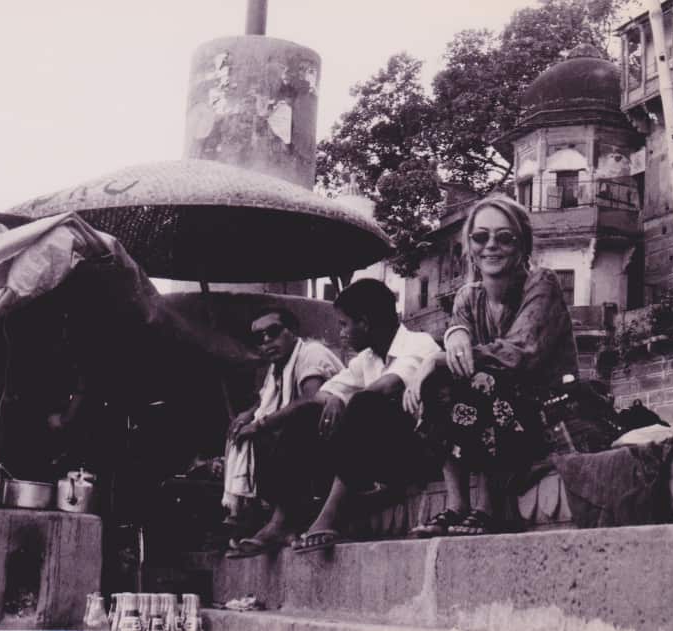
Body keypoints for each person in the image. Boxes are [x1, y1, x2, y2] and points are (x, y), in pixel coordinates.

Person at [405, 195, 577, 537]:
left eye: (505, 237)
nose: (491, 246)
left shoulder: (541, 282)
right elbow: (458, 349)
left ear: (522, 243)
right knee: (440, 383)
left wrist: (434, 357)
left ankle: (489, 506)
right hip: (493, 410)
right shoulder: (468, 296)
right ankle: (457, 506)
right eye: (480, 237)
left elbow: (518, 354)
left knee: (483, 376)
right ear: (469, 245)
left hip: (550, 410)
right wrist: (449, 344)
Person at [292, 279, 441, 553]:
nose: (341, 333)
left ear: (364, 323)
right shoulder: (368, 359)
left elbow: (387, 387)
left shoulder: (419, 343)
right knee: (308, 413)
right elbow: (322, 394)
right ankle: (288, 516)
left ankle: (331, 513)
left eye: (344, 324)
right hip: (379, 458)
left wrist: (346, 402)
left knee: (366, 402)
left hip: (420, 454)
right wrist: (336, 398)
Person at [224, 307, 343, 558]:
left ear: (292, 332)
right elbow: (267, 402)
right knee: (247, 430)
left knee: (287, 423)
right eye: (260, 337)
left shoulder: (310, 353)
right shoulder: (278, 367)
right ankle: (257, 520)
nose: (267, 341)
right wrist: (249, 414)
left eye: (273, 332)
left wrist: (260, 423)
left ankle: (280, 522)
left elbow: (311, 399)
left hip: (341, 438)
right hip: (312, 445)